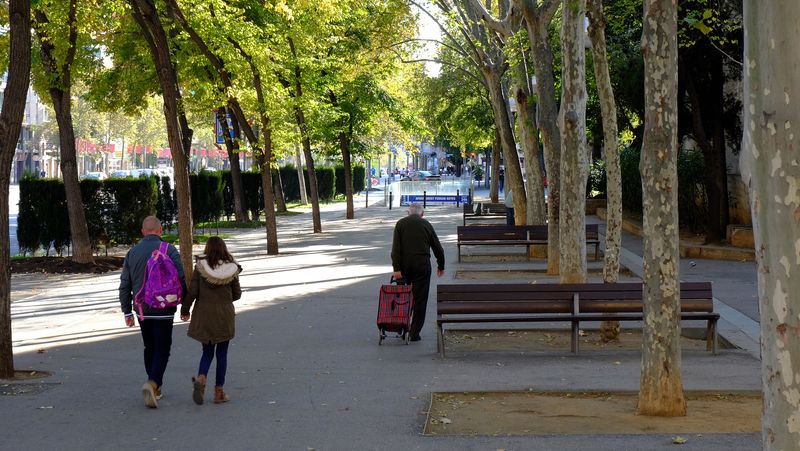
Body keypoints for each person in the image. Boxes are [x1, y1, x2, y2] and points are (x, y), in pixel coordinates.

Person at [120, 216, 186, 408]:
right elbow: (180, 278)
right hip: (165, 308)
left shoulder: (132, 252)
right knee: (163, 348)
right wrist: (185, 306)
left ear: (142, 231)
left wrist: (126, 311)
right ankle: (153, 383)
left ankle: (155, 386)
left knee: (149, 347)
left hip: (142, 309)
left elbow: (125, 284)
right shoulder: (169, 249)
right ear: (161, 230)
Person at [180, 237, 242, 405]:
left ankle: (201, 377)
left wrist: (184, 310)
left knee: (207, 353)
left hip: (204, 315)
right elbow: (237, 294)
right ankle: (219, 392)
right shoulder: (231, 268)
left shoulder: (201, 268)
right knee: (222, 354)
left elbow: (192, 292)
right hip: (224, 316)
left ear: (207, 249)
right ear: (224, 249)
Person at [391, 203, 445, 342]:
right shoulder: (426, 224)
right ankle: (414, 332)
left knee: (402, 297)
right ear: (422, 214)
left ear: (408, 213)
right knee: (420, 300)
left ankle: (401, 327)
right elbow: (437, 247)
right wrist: (441, 265)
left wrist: (396, 269)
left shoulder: (400, 224)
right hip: (422, 266)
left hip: (403, 268)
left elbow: (396, 249)